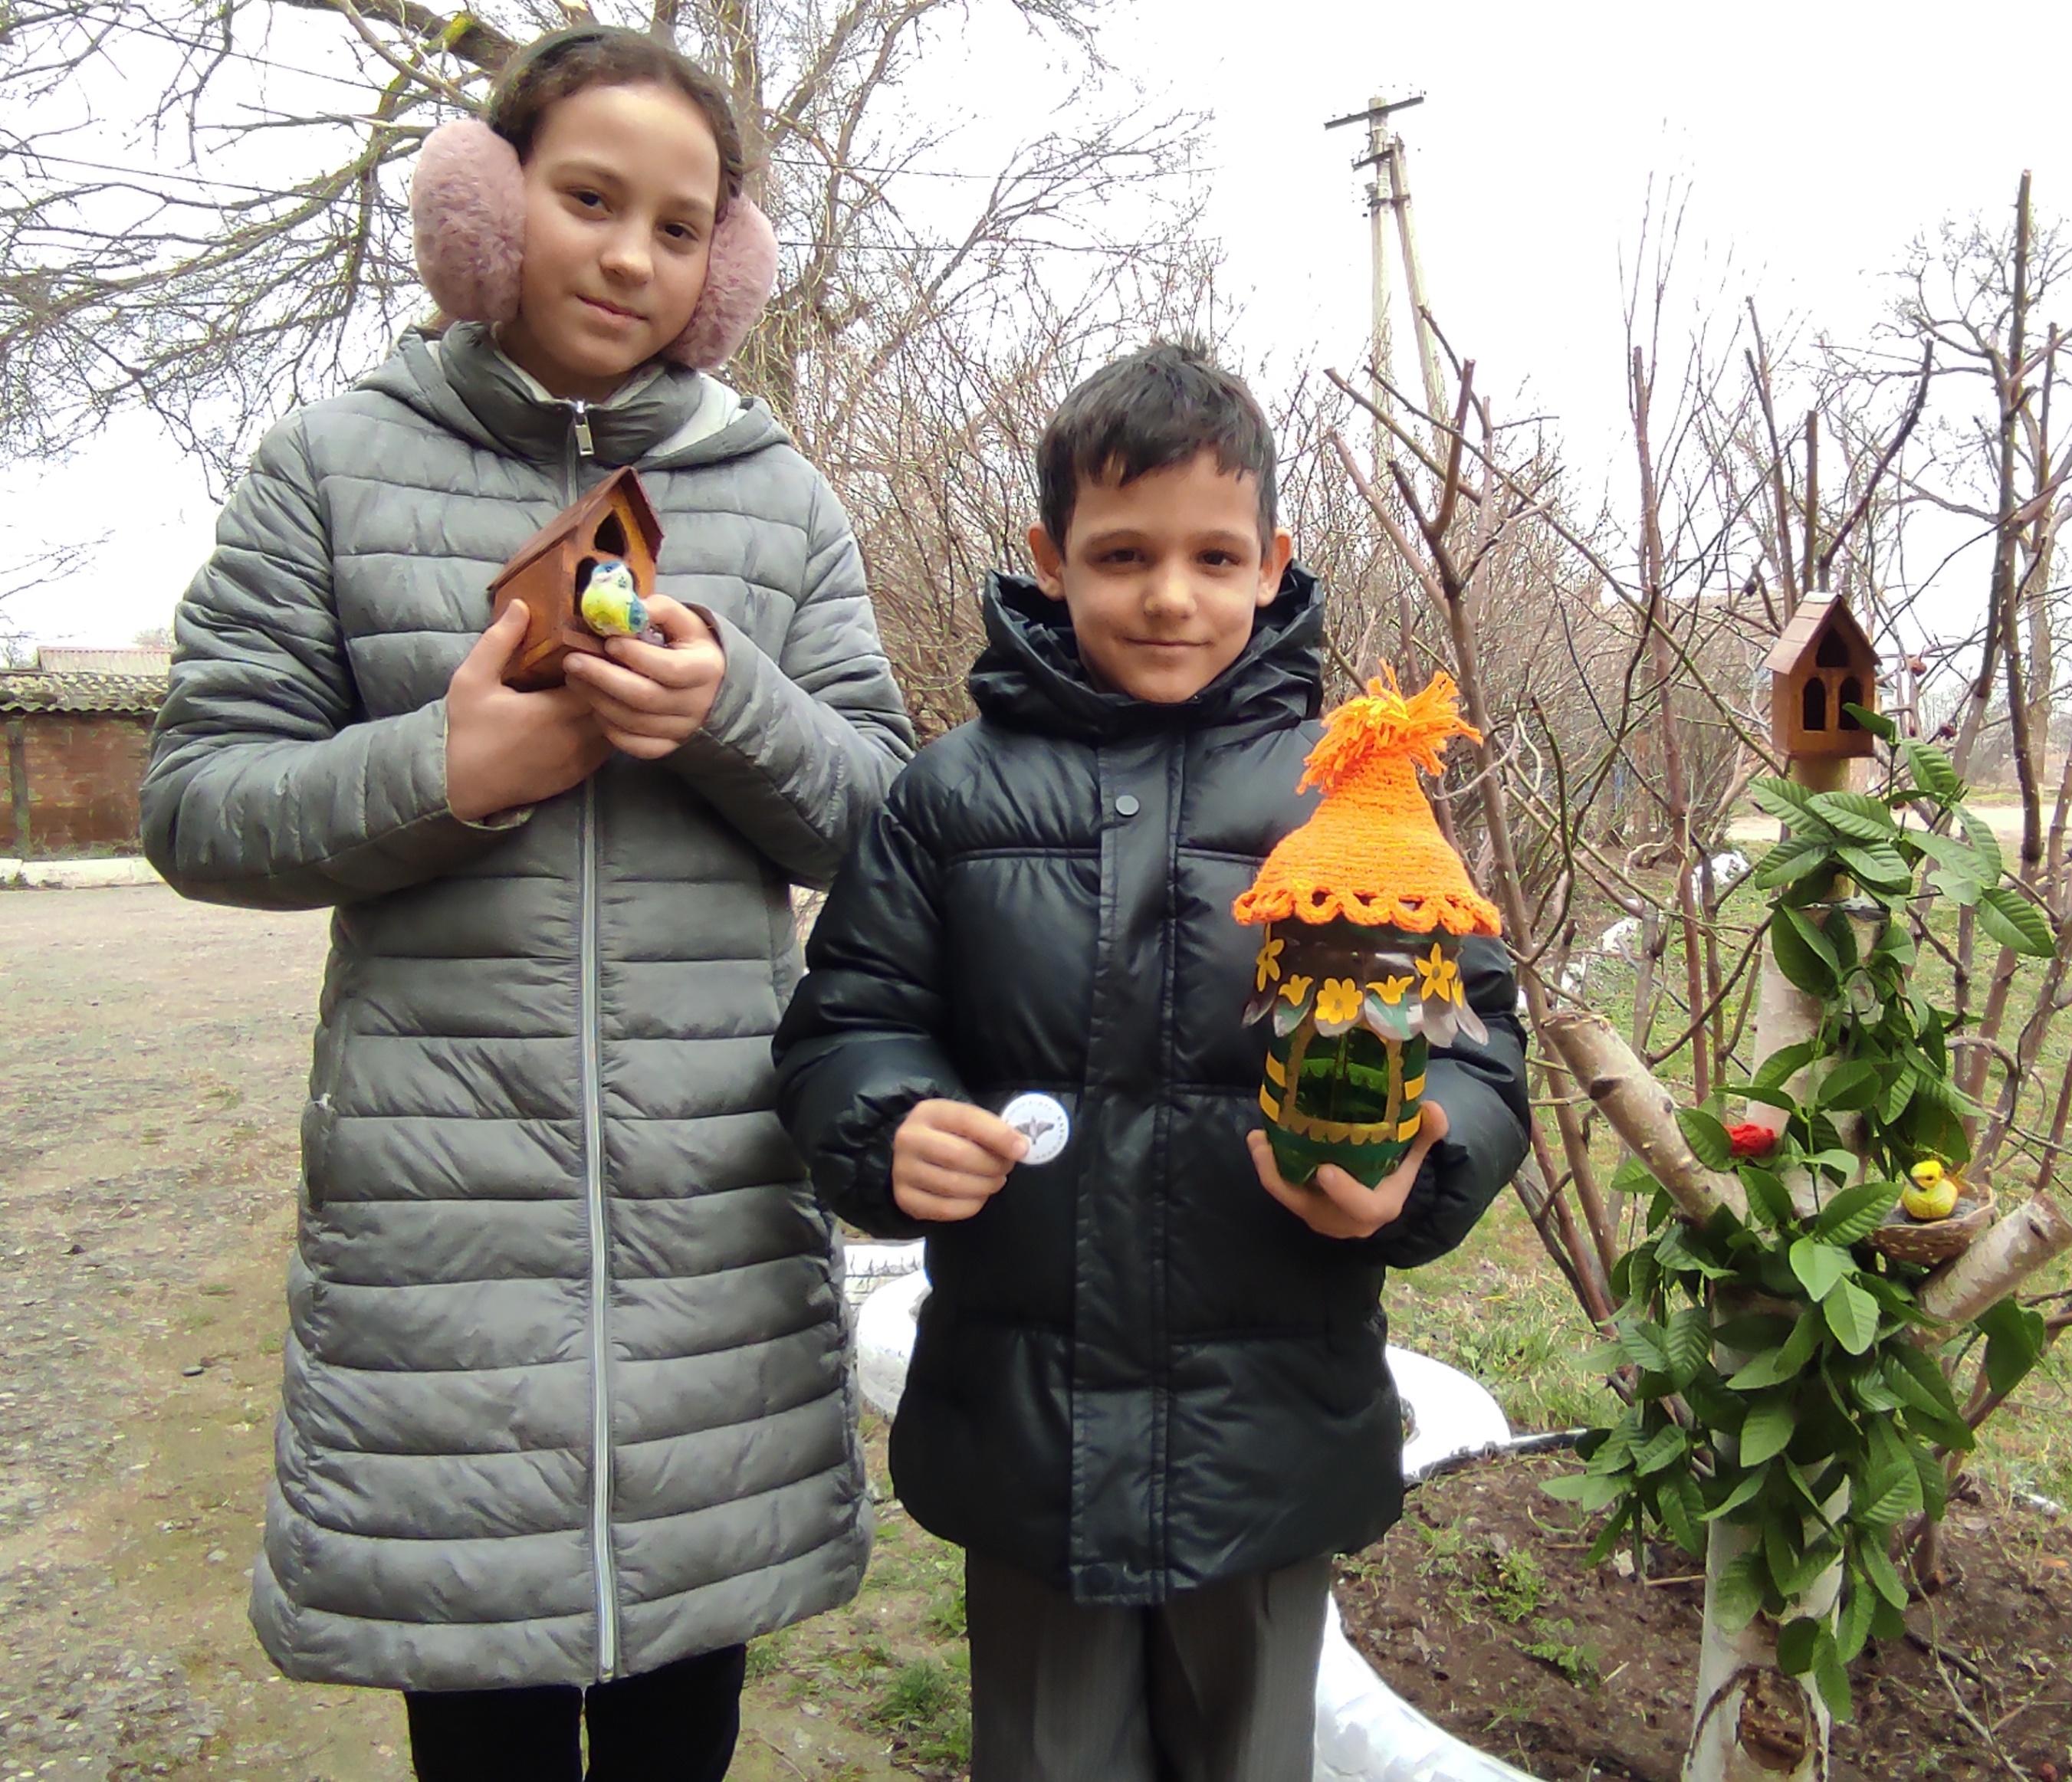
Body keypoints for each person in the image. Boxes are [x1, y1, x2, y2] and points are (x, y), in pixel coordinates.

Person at [140, 25, 912, 1780]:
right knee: (475, 1721)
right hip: (441, 1233)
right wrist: (444, 767)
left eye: (675, 223)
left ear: (722, 266)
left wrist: (735, 715)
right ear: (484, 207)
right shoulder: (332, 466)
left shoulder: (777, 496)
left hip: (709, 1214)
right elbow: (195, 803)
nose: (628, 253)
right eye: (586, 199)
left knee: (677, 1726)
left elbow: (890, 817)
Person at [773, 340, 1529, 1782]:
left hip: (1269, 1419)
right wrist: (889, 1124)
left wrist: (1422, 1161)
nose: (1169, 595)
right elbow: (849, 1019)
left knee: (1249, 1753)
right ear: (1052, 558)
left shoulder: (1353, 801)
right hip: (1030, 1421)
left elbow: (1476, 1044)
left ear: (1271, 560)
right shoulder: (952, 794)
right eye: (1122, 554)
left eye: (1210, 554)